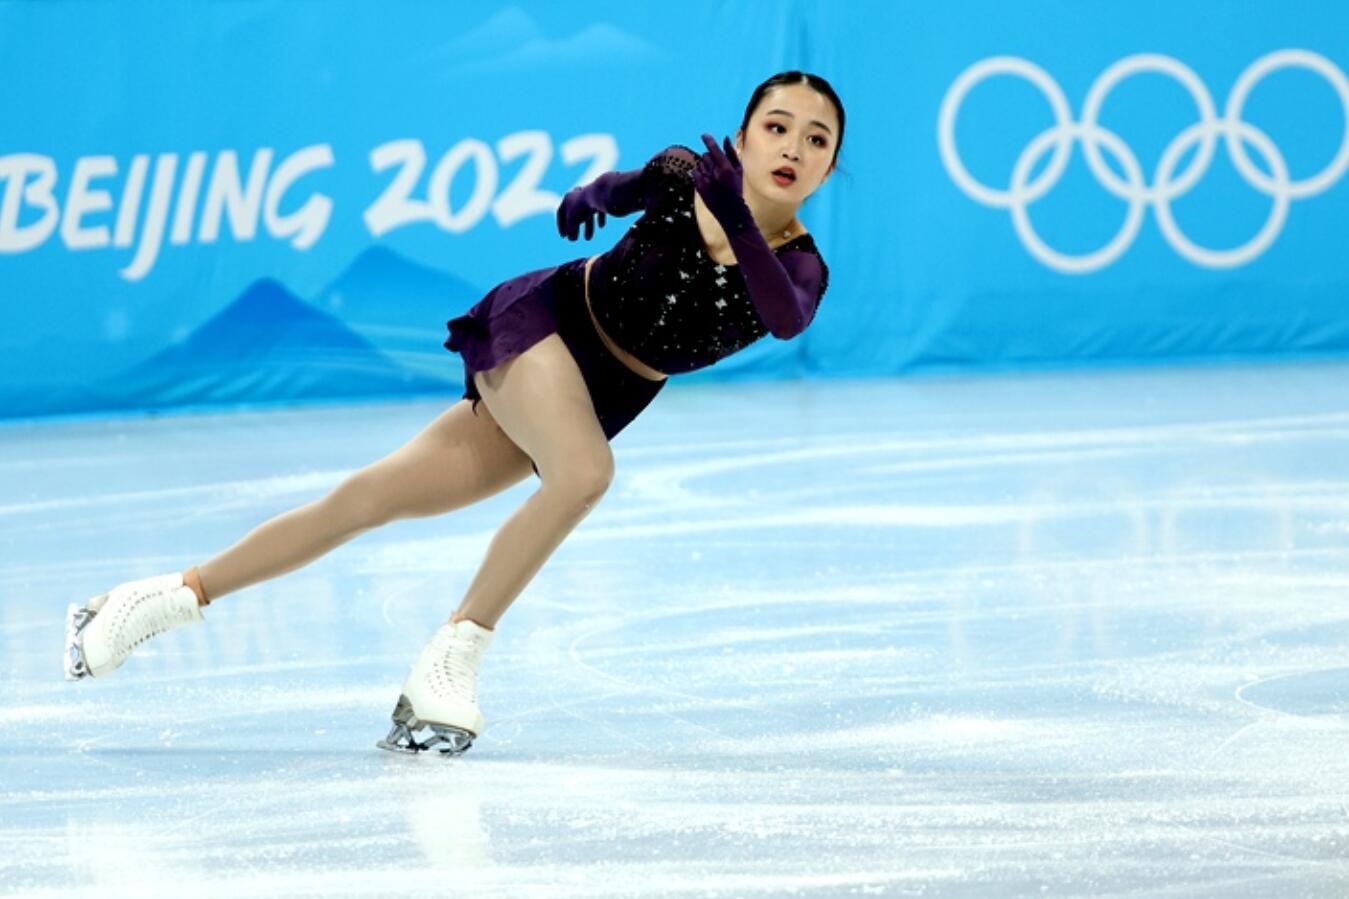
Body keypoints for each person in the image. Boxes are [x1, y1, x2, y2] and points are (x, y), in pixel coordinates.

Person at [63, 70, 846, 756]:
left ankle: (163, 596)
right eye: (775, 127)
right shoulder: (684, 175)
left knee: (366, 499)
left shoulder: (801, 267)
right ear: (741, 136)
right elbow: (619, 188)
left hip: (610, 389)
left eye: (814, 140)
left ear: (829, 167)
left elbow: (781, 316)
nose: (791, 146)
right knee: (582, 475)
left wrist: (736, 223)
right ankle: (452, 658)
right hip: (547, 326)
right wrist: (586, 197)